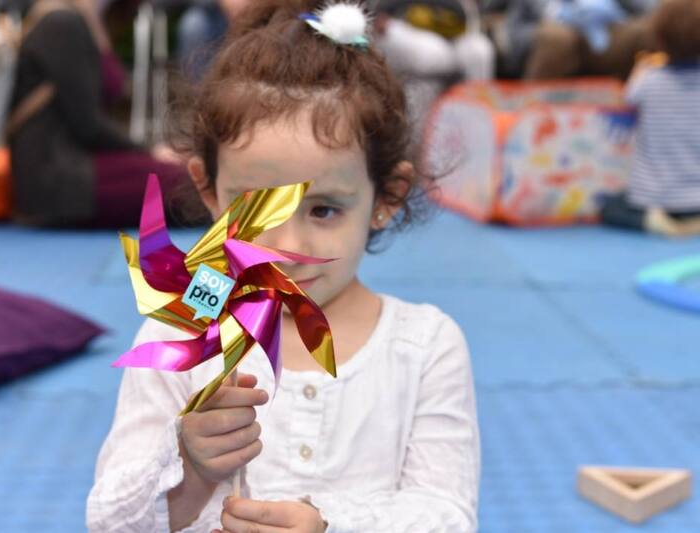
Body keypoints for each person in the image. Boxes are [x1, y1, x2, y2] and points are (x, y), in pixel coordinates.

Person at [87, 1, 480, 532]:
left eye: (324, 210)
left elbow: (448, 515)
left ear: (387, 196)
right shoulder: (179, 333)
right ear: (209, 190)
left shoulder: (425, 347)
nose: (287, 248)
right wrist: (190, 470)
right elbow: (111, 522)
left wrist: (330, 525)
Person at [8, 0, 191, 228]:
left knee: (186, 175)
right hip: (59, 179)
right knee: (185, 183)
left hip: (72, 169)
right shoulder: (60, 23)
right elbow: (88, 125)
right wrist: (150, 152)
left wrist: (93, 20)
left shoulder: (82, 22)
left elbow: (110, 88)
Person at [599, 0, 700, 236]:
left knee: (610, 206)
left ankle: (655, 222)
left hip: (657, 198)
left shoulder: (648, 80)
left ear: (659, 39)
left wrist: (640, 68)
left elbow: (626, 101)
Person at [502, 0, 656, 79]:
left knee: (643, 33)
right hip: (545, 28)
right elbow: (543, 9)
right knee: (558, 39)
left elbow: (650, 8)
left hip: (601, 31)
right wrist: (563, 13)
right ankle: (534, 112)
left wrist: (613, 12)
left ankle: (630, 114)